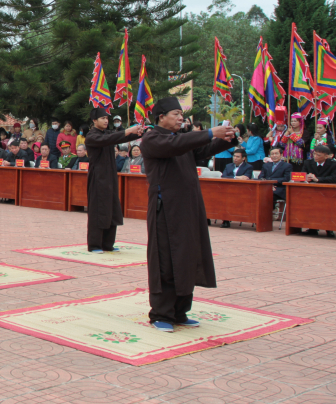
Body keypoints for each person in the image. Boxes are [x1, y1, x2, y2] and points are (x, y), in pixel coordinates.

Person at [140, 97, 237, 332]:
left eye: (181, 113)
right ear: (161, 117)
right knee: (165, 261)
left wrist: (225, 139)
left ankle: (180, 311)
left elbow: (202, 150)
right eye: (176, 113)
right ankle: (161, 313)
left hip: (188, 207)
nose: (181, 117)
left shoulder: (179, 140)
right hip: (166, 209)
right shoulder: (152, 139)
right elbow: (177, 146)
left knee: (187, 257)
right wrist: (210, 132)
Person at [84, 107, 145, 253]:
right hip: (98, 177)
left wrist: (136, 133)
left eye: (107, 118)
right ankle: (95, 245)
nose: (106, 121)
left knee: (112, 208)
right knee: (99, 210)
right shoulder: (92, 136)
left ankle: (108, 244)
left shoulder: (108, 133)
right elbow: (109, 139)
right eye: (103, 118)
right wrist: (128, 131)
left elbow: (119, 137)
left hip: (111, 176)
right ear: (94, 121)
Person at [299, 144, 336, 237]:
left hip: (328, 192)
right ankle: (312, 228)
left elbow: (334, 178)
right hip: (311, 191)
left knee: (328, 208)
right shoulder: (308, 162)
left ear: (327, 156)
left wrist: (317, 179)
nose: (315, 156)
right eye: (314, 154)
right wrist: (306, 178)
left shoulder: (335, 164)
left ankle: (329, 229)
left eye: (319, 155)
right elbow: (302, 175)